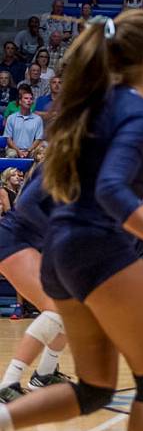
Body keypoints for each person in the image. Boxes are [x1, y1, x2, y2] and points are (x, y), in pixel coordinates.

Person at [0, 10, 143, 431]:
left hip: (59, 253)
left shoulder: (92, 103)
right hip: (97, 249)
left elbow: (41, 197)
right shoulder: (134, 110)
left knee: (95, 389)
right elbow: (111, 187)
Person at [0, 170, 72, 403]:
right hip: (13, 239)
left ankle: (44, 375)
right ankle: (8, 384)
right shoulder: (62, 162)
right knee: (55, 309)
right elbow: (26, 205)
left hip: (30, 242)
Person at [3, 88, 43, 158]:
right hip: (14, 149)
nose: (29, 101)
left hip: (31, 149)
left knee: (39, 155)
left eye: (31, 99)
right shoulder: (11, 118)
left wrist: (29, 150)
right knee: (11, 154)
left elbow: (38, 139)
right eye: (26, 98)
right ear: (20, 102)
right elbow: (8, 139)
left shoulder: (38, 119)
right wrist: (18, 150)